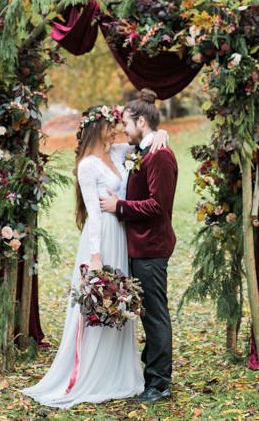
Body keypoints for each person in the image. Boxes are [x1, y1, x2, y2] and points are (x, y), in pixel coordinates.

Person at [20, 103, 169, 408]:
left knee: (120, 304)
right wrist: (96, 256)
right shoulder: (88, 165)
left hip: (124, 236)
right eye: (112, 124)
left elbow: (142, 141)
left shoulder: (116, 154)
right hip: (102, 238)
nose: (117, 128)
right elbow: (94, 213)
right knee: (99, 305)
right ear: (98, 128)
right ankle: (92, 372)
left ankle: (119, 371)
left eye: (120, 123)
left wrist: (161, 131)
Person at [100, 88, 177, 403]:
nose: (124, 131)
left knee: (156, 317)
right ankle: (150, 376)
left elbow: (158, 206)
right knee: (148, 315)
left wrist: (119, 206)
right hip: (138, 247)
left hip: (152, 249)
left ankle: (159, 385)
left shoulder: (160, 156)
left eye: (128, 125)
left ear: (142, 122)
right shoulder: (142, 152)